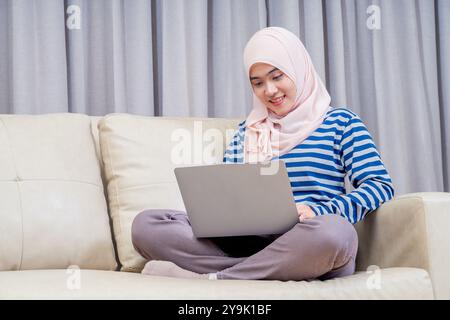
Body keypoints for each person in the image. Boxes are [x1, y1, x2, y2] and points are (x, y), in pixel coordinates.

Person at [131, 27, 394, 281]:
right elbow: (225, 192)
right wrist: (215, 217)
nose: (269, 91)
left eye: (277, 76)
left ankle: (218, 276)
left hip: (308, 240)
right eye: (258, 83)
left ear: (299, 70)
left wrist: (320, 211)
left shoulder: (341, 123)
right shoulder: (248, 131)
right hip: (248, 243)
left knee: (336, 234)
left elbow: (379, 186)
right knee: (147, 225)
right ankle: (253, 271)